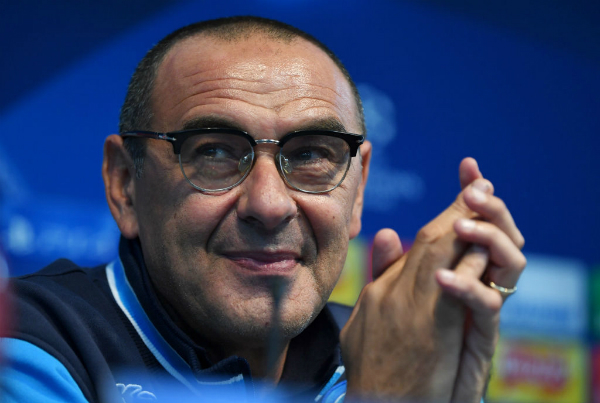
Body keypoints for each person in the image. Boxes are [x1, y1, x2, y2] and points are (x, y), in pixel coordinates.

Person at [0, 16, 525, 403]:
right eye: (214, 152)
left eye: (311, 155)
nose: (270, 205)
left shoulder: (394, 352)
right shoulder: (24, 346)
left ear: (359, 190)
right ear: (125, 185)